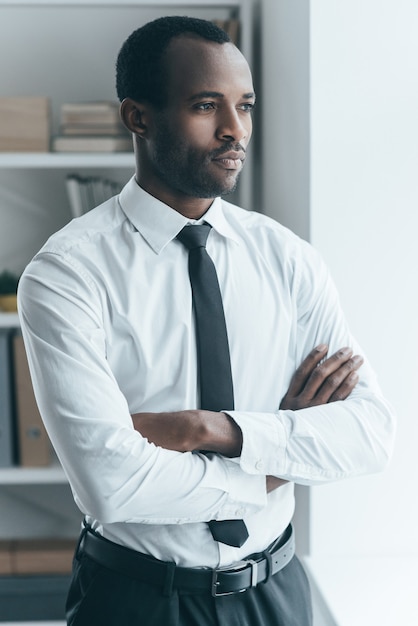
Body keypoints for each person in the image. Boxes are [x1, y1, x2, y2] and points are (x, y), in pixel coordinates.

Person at [17, 15, 395, 626]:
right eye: (205, 106)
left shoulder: (287, 258)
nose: (234, 129)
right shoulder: (67, 275)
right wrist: (277, 461)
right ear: (138, 117)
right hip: (138, 600)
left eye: (244, 106)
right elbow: (111, 484)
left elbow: (369, 433)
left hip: (274, 591)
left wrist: (212, 431)